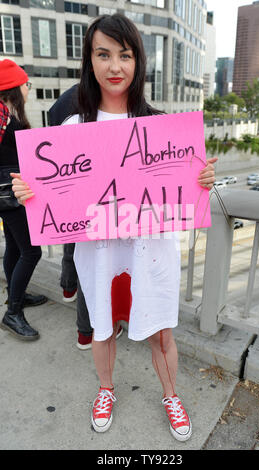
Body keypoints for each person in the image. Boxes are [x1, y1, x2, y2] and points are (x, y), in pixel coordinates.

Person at [12, 14, 217, 441]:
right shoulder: (74, 128)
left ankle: (170, 394)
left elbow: (182, 186)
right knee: (102, 326)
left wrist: (200, 180)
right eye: (103, 54)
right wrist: (31, 191)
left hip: (151, 247)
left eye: (124, 55)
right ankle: (106, 389)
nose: (115, 66)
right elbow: (53, 192)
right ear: (90, 60)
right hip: (99, 247)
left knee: (161, 328)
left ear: (138, 62)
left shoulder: (161, 128)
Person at [48, 93, 123, 349]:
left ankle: (68, 293)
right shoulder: (101, 102)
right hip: (98, 196)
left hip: (71, 192)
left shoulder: (61, 103)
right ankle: (88, 331)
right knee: (93, 267)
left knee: (74, 253)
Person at [0, 59, 48, 341]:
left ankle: (15, 296)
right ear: (15, 89)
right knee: (32, 251)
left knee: (16, 248)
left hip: (3, 197)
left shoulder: (3, 119)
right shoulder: (12, 124)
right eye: (26, 84)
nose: (28, 89)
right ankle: (13, 312)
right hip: (12, 195)